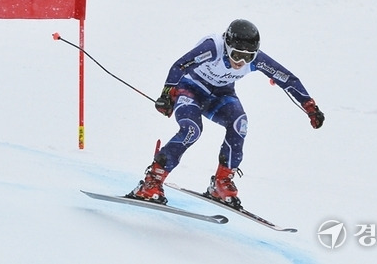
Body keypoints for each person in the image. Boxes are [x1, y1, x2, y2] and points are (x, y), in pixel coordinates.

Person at [126, 19, 324, 208]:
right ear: (228, 46)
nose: (241, 61)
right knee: (192, 130)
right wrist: (167, 94)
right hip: (190, 90)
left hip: (220, 95)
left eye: (249, 57)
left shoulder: (257, 60)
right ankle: (151, 182)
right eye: (237, 54)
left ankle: (222, 182)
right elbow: (180, 66)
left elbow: (287, 79)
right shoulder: (214, 47)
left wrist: (309, 106)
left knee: (239, 124)